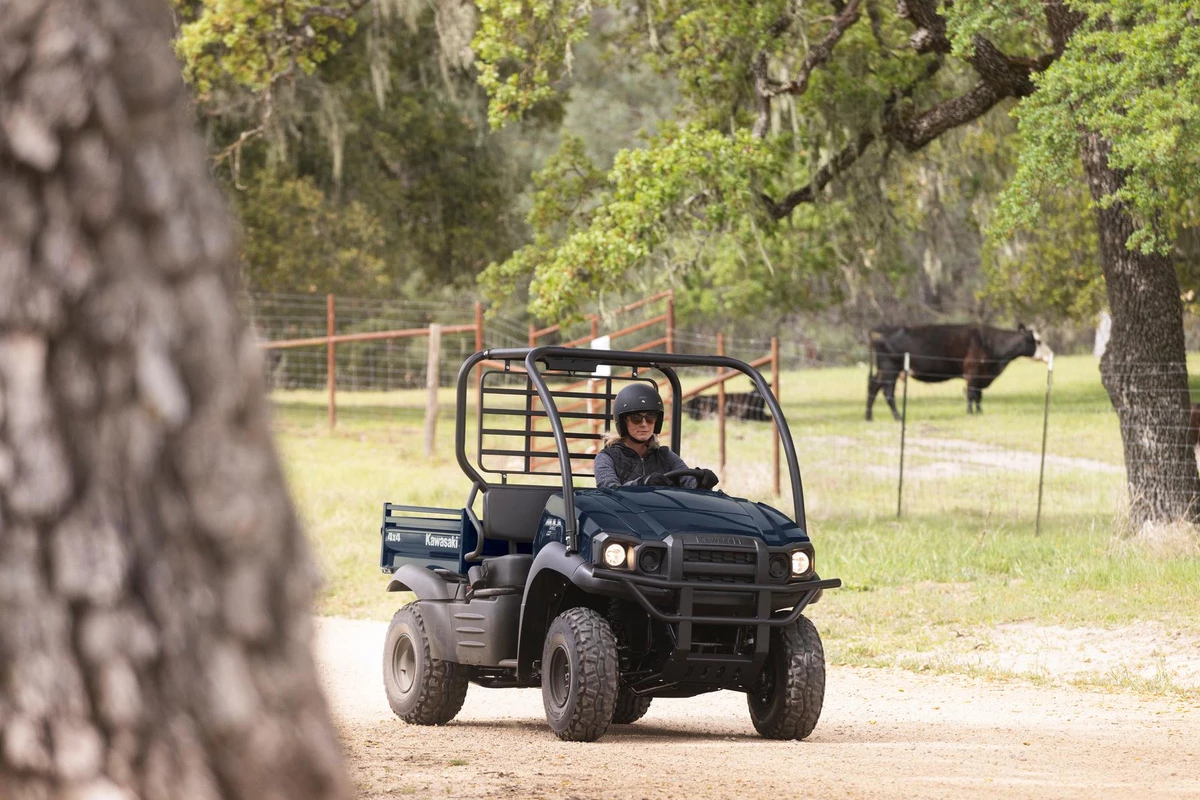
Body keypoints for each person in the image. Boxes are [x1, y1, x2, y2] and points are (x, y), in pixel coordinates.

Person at [593, 382, 718, 490]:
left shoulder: (665, 456)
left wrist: (702, 483)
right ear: (623, 422)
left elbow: (688, 482)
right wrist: (641, 484)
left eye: (650, 417)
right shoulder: (607, 458)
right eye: (636, 418)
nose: (644, 424)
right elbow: (609, 491)